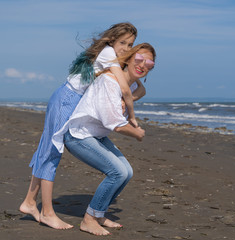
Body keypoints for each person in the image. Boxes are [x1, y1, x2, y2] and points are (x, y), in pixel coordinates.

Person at [19, 22, 145, 230]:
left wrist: (137, 88)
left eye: (130, 44)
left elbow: (129, 87)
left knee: (47, 150)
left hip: (69, 100)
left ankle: (30, 202)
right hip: (67, 100)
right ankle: (48, 213)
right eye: (122, 42)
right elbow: (124, 86)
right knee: (51, 153)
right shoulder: (107, 53)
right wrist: (131, 114)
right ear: (112, 39)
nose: (126, 48)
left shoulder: (109, 56)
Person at [52, 43, 156, 236]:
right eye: (139, 59)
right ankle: (88, 220)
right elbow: (113, 123)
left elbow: (140, 90)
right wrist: (136, 133)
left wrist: (128, 99)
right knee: (116, 172)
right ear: (129, 58)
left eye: (149, 63)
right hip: (79, 135)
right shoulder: (109, 80)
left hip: (96, 136)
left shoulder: (131, 85)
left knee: (127, 172)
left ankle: (98, 214)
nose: (143, 65)